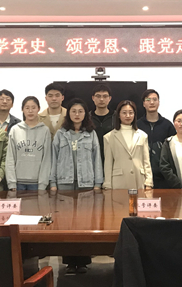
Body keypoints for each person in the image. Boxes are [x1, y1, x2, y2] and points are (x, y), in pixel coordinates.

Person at [50, 98, 103, 273]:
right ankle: (69, 263)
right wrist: (53, 182)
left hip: (86, 183)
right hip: (64, 184)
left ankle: (83, 262)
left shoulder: (91, 134)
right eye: (73, 111)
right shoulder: (61, 134)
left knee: (84, 223)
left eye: (80, 111)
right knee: (66, 224)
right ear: (69, 114)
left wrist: (97, 183)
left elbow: (97, 159)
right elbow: (53, 158)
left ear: (85, 114)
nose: (77, 114)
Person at [103, 100, 153, 190]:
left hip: (139, 180)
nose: (128, 116)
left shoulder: (142, 135)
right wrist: (107, 184)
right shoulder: (109, 137)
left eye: (131, 113)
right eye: (124, 113)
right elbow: (108, 164)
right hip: (119, 181)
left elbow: (146, 161)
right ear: (118, 115)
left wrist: (148, 182)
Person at [5, 96, 52, 191]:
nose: (30, 111)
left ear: (38, 109)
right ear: (22, 109)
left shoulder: (45, 130)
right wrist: (12, 183)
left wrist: (42, 184)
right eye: (27, 108)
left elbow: (47, 159)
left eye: (33, 108)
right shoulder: (15, 130)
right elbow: (10, 157)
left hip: (37, 183)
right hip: (18, 183)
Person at [137, 89, 175, 188]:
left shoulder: (167, 125)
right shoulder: (137, 125)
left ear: (159, 102)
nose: (152, 102)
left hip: (163, 177)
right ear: (143, 103)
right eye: (148, 99)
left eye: (155, 99)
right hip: (141, 175)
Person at [90, 84, 116, 165]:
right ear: (93, 98)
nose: (101, 99)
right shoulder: (87, 117)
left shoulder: (117, 117)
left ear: (110, 98)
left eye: (105, 96)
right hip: (91, 158)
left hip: (113, 158)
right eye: (98, 96)